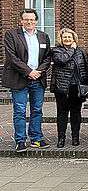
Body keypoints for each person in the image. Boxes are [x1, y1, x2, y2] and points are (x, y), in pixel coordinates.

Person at [2, 9, 51, 152]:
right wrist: (28, 72)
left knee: (37, 110)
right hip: (19, 78)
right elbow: (11, 57)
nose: (29, 22)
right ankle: (20, 140)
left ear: (36, 21)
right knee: (20, 110)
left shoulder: (43, 36)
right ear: (21, 20)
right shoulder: (11, 35)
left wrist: (38, 72)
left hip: (38, 79)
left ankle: (36, 138)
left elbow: (47, 57)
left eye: (31, 19)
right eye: (26, 19)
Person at [51, 28, 88, 148]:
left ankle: (75, 137)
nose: (67, 39)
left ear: (74, 39)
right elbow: (62, 60)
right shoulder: (56, 51)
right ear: (61, 39)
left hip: (76, 87)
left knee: (76, 113)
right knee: (62, 113)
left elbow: (87, 69)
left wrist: (85, 84)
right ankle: (61, 138)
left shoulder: (81, 51)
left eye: (70, 37)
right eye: (65, 37)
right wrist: (72, 49)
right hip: (62, 87)